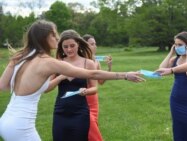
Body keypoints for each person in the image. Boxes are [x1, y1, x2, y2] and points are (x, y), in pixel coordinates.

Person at [0, 20, 145, 141]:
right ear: (44, 37)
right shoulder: (49, 62)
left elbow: (3, 85)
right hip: (21, 126)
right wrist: (125, 75)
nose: (57, 38)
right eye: (54, 34)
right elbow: (93, 73)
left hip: (6, 121)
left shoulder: (20, 57)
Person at [82, 33, 111, 141]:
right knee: (91, 130)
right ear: (85, 45)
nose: (95, 46)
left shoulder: (96, 61)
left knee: (92, 128)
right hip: (83, 98)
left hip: (94, 100)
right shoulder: (80, 61)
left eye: (95, 44)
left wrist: (109, 68)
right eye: (92, 44)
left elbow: (101, 82)